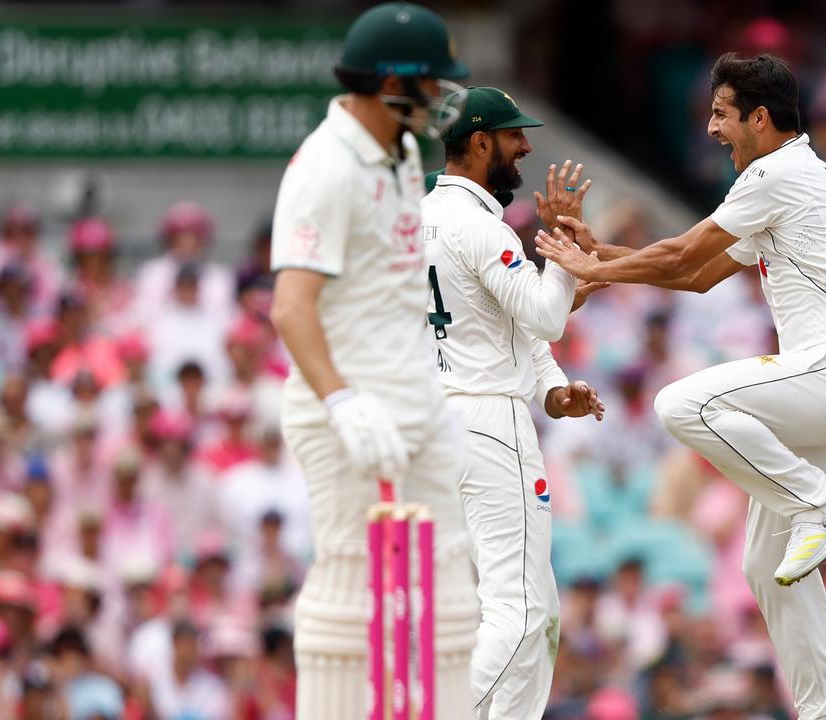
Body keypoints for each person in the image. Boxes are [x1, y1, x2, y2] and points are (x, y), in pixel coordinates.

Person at [536, 52, 826, 718]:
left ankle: (821, 499)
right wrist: (599, 256)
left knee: (681, 402)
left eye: (722, 114)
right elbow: (694, 274)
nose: (710, 130)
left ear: (761, 118)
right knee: (766, 566)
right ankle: (825, 712)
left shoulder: (776, 172)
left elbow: (678, 256)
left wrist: (592, 266)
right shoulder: (794, 177)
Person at [268, 3, 477, 717]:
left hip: (413, 401)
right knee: (353, 595)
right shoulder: (326, 166)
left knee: (452, 594)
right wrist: (342, 404)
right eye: (432, 85)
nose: (442, 99)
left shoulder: (403, 152)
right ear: (394, 81)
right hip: (349, 413)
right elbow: (291, 308)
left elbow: (396, 292)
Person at [421, 87, 605, 718]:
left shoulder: (416, 220)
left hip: (439, 423)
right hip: (487, 426)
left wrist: (553, 391)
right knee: (520, 609)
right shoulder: (479, 224)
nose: (525, 147)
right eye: (512, 136)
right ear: (479, 143)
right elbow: (547, 314)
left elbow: (510, 329)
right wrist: (561, 241)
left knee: (535, 611)